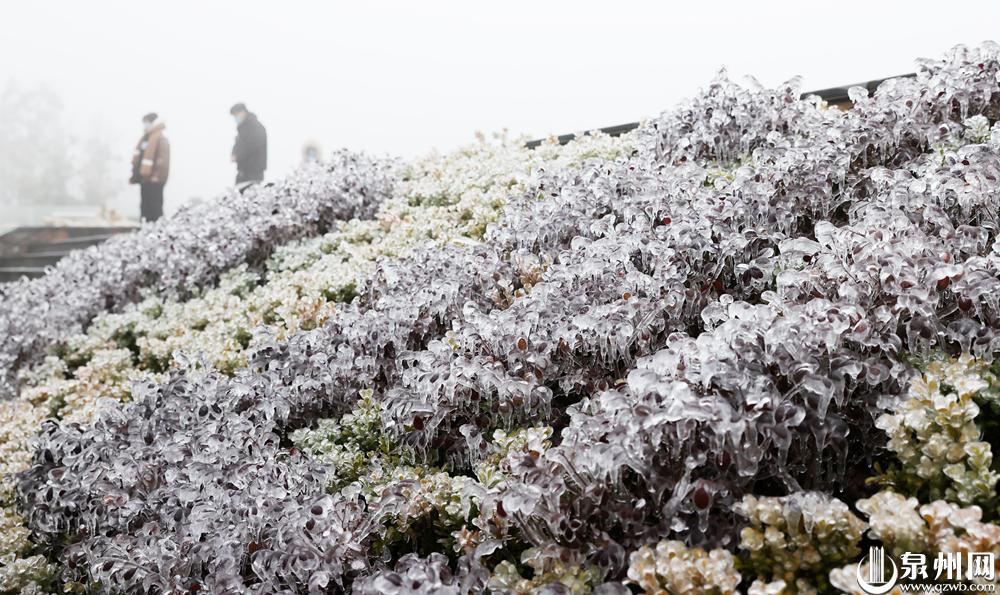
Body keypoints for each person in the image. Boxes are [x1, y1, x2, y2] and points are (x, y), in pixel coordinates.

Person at [129, 112, 169, 222]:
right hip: (144, 179)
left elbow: (163, 161)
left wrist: (156, 177)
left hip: (155, 181)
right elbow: (139, 158)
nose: (145, 125)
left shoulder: (160, 139)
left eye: (147, 123)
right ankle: (145, 230)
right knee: (145, 207)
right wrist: (135, 175)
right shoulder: (145, 139)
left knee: (155, 207)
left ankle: (156, 230)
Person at [230, 103, 267, 186]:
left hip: (252, 173)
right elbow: (238, 143)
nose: (236, 118)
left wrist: (238, 156)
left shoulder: (254, 127)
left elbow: (250, 146)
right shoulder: (243, 128)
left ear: (243, 112)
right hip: (244, 171)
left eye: (236, 115)